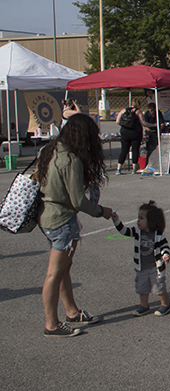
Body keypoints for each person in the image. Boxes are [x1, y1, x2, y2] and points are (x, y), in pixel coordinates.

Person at [36, 113, 113, 337]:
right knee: (54, 273)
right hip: (61, 220)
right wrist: (102, 212)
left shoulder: (49, 150)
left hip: (47, 216)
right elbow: (78, 200)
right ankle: (51, 324)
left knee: (63, 269)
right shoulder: (70, 160)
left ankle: (71, 311)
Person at [111, 201, 170, 317]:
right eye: (138, 218)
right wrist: (116, 221)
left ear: (151, 221)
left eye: (141, 218)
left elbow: (165, 246)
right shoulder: (137, 231)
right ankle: (144, 306)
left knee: (159, 286)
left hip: (155, 268)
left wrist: (165, 255)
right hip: (141, 267)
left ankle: (165, 304)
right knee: (142, 288)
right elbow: (124, 231)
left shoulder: (158, 235)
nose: (138, 221)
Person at [115, 100, 145, 175]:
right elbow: (143, 122)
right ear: (139, 105)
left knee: (124, 150)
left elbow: (117, 121)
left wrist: (125, 125)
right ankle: (134, 169)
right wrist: (154, 125)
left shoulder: (123, 110)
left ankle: (118, 169)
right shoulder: (138, 112)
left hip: (125, 132)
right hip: (135, 133)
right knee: (135, 150)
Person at [142, 103, 165, 169]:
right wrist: (147, 129)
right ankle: (148, 164)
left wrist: (160, 128)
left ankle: (157, 164)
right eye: (150, 110)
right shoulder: (146, 114)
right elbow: (144, 124)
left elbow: (162, 123)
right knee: (150, 149)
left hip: (156, 132)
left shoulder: (158, 113)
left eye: (152, 110)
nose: (151, 111)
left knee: (157, 148)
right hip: (149, 132)